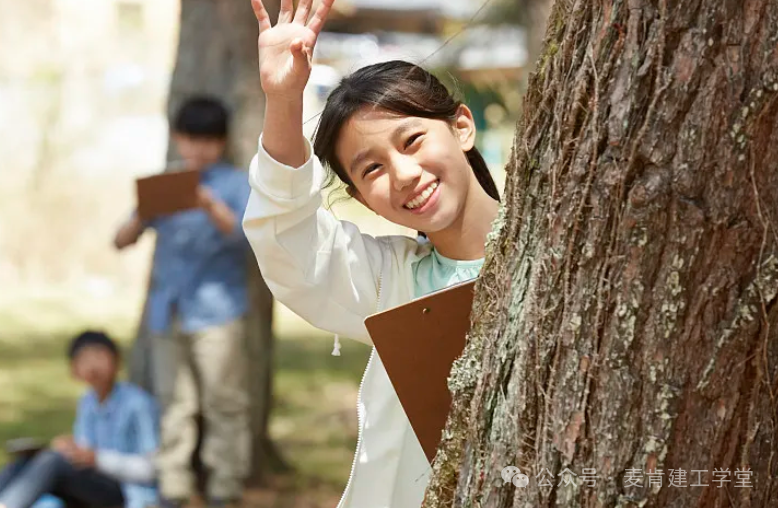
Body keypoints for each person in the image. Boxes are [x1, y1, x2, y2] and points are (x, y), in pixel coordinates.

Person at [242, 0, 501, 506]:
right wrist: (283, 98)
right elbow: (287, 237)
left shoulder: (562, 256)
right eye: (372, 170)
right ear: (363, 200)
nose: (404, 174)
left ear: (462, 127)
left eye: (412, 140)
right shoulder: (390, 282)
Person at [114, 96, 252, 507]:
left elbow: (247, 238)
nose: (199, 149)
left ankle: (225, 486)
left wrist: (209, 203)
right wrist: (141, 213)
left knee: (224, 403)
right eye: (191, 139)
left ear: (222, 142)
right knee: (173, 403)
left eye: (208, 140)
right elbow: (120, 240)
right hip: (167, 311)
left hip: (218, 312)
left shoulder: (234, 182)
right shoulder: (165, 183)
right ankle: (173, 487)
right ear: (177, 138)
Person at [0, 331, 159, 508]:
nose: (93, 366)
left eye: (99, 357)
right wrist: (72, 450)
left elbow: (150, 469)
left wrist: (97, 459)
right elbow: (84, 448)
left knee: (53, 461)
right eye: (85, 360)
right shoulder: (87, 401)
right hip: (90, 485)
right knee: (26, 462)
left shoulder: (137, 403)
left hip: (125, 492)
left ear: (117, 360)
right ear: (74, 370)